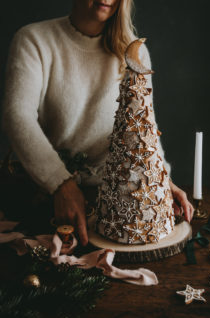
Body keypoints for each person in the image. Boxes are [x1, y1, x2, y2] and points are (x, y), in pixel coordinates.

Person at [2, 0, 194, 246]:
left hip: (118, 204)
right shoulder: (34, 40)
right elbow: (17, 115)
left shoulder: (133, 51)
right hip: (51, 197)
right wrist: (60, 183)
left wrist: (160, 179)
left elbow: (143, 127)